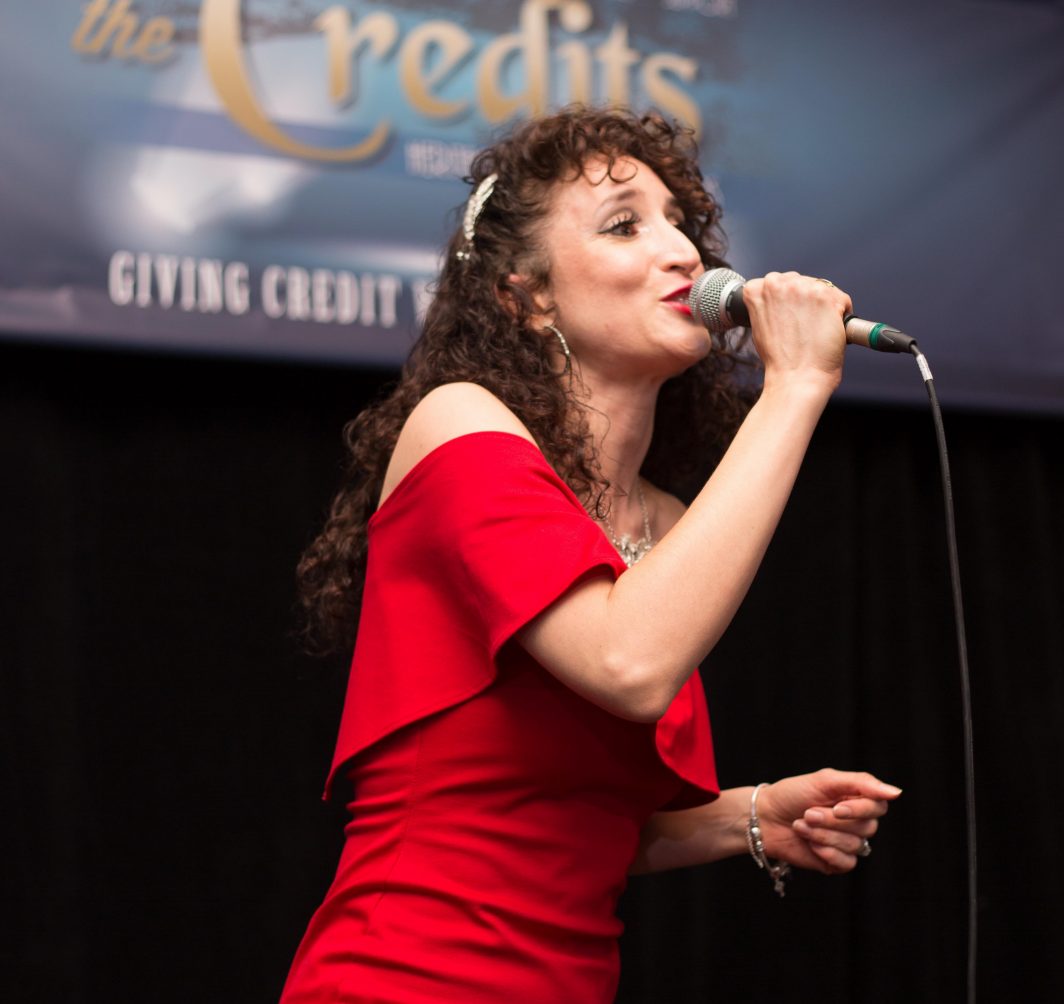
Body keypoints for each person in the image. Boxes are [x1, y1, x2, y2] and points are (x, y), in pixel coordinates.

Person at [280, 105, 901, 1003]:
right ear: (526, 297)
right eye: (624, 226)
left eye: (681, 225)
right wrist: (796, 386)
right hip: (404, 977)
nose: (684, 253)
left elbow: (575, 825)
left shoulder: (667, 522)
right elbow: (627, 663)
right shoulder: (459, 424)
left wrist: (752, 816)